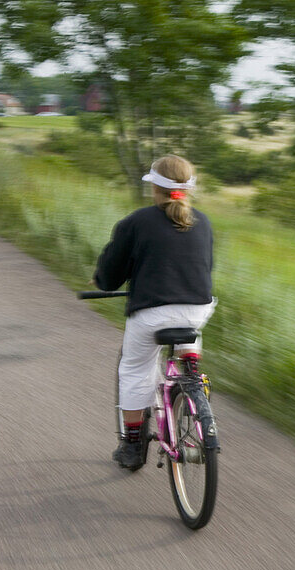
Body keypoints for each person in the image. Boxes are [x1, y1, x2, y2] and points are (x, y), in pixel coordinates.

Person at [93, 154, 216, 469]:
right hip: (197, 311)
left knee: (135, 371)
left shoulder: (136, 222)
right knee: (187, 334)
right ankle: (192, 379)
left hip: (151, 315)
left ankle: (132, 448)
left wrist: (105, 280)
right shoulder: (203, 222)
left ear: (154, 187)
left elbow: (108, 279)